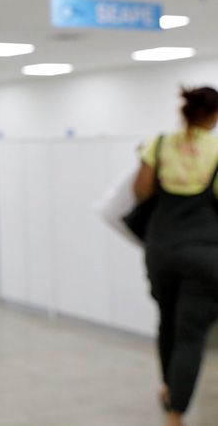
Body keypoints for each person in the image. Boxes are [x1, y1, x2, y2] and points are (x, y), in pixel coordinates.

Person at [134, 86, 218, 426]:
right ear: (213, 116)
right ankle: (176, 412)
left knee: (167, 322)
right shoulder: (216, 149)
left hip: (162, 250)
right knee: (191, 334)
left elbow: (140, 191)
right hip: (205, 253)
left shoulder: (160, 143)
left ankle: (169, 386)